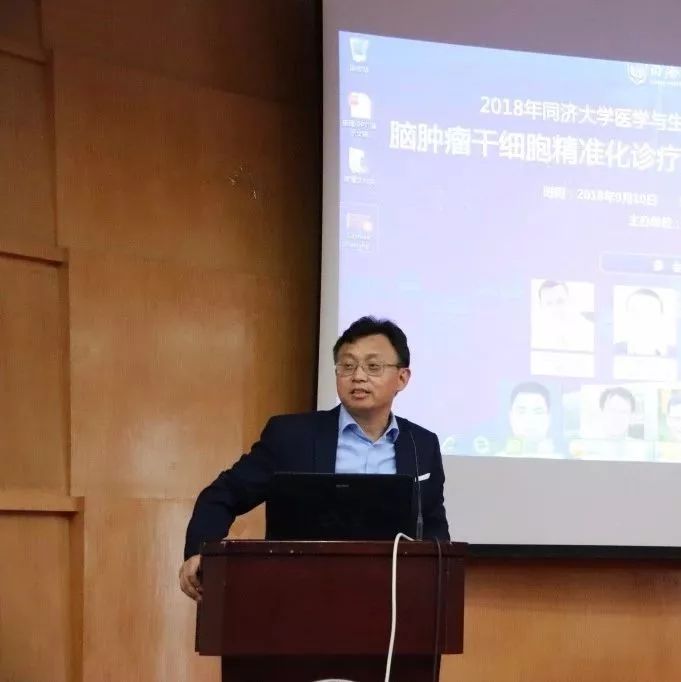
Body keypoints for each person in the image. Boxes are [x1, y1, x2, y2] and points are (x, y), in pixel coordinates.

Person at [179, 316, 450, 601]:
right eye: (347, 366)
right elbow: (225, 494)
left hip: (392, 600)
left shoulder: (421, 445)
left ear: (402, 378)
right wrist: (200, 551)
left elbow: (433, 523)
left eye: (373, 366)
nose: (358, 376)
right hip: (300, 595)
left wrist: (440, 576)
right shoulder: (292, 437)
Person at [531, 280, 594, 352]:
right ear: (541, 306)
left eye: (560, 301)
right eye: (549, 304)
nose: (555, 309)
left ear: (570, 300)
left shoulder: (589, 333)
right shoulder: (535, 339)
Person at [497, 381, 556, 457]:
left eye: (538, 412)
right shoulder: (496, 461)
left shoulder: (561, 459)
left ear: (549, 419)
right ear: (511, 417)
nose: (530, 419)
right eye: (522, 412)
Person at [614, 288, 672, 357]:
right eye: (635, 310)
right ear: (626, 316)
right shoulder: (611, 351)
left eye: (650, 311)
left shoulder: (676, 353)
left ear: (661, 318)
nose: (642, 317)